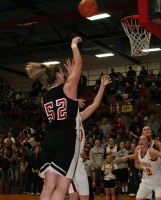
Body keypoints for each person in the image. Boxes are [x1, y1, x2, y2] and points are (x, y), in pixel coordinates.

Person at [25, 36, 82, 200]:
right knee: (62, 187)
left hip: (50, 141)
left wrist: (71, 77)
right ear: (58, 75)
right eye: (62, 73)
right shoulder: (69, 87)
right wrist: (73, 45)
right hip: (66, 140)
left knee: (49, 185)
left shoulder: (44, 98)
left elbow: (63, 100)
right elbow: (78, 65)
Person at [68, 75, 112, 200]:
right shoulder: (66, 119)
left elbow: (96, 103)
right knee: (73, 194)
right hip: (70, 161)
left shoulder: (80, 116)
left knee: (85, 195)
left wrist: (102, 86)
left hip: (79, 162)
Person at [134, 135, 161, 200]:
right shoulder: (138, 151)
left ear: (149, 142)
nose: (141, 141)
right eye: (140, 139)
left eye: (143, 139)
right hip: (146, 180)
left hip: (158, 181)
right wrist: (145, 168)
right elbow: (136, 164)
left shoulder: (152, 150)